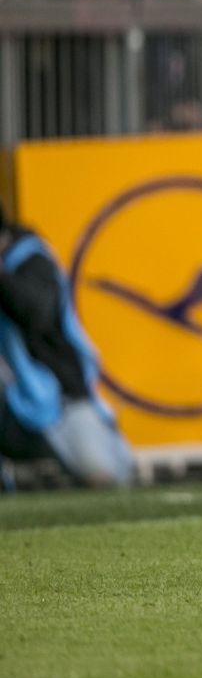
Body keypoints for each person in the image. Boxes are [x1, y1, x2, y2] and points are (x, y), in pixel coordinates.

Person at [0, 204, 136, 488]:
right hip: (13, 399)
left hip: (57, 400)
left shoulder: (30, 260)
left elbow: (35, 312)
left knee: (106, 474)